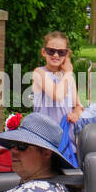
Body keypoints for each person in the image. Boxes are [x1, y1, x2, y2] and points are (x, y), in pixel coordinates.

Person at [0, 113, 74, 192]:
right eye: (12, 144)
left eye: (22, 145)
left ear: (46, 153)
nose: (13, 151)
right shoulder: (47, 187)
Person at [31, 31, 82, 167]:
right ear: (43, 52)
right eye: (51, 51)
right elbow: (58, 95)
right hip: (45, 138)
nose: (55, 55)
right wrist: (68, 73)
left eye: (61, 52)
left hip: (66, 138)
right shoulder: (39, 73)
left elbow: (77, 105)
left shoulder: (68, 77)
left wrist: (75, 114)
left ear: (67, 54)